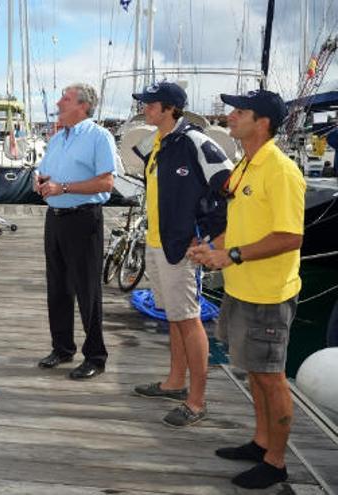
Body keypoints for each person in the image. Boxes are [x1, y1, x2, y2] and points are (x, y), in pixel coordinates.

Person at [188, 89, 304, 489]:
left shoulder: (281, 170)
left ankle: (276, 462)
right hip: (241, 288)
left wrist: (231, 255)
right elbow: (239, 227)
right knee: (255, 372)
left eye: (240, 111)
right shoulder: (246, 166)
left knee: (272, 377)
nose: (230, 115)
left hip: (269, 293)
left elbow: (290, 236)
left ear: (263, 122)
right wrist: (211, 249)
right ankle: (260, 441)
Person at [128, 82, 233, 428]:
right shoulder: (158, 142)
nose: (145, 109)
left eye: (151, 104)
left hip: (183, 245)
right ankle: (175, 382)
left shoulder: (194, 141)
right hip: (158, 242)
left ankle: (197, 402)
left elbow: (226, 185)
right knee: (173, 316)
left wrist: (210, 238)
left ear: (170, 108)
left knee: (189, 320)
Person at [34, 83, 117, 380]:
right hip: (55, 218)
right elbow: (46, 173)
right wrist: (41, 181)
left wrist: (63, 187)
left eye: (65, 99)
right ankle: (62, 348)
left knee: (87, 290)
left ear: (82, 106)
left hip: (83, 220)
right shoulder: (58, 138)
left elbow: (107, 183)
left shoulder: (99, 137)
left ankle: (95, 356)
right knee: (57, 287)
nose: (58, 102)